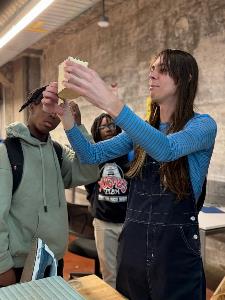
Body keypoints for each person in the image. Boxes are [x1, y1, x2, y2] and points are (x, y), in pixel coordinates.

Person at [42, 49, 217, 300]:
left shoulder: (203, 125)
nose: (152, 75)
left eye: (162, 70)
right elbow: (90, 155)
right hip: (132, 245)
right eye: (151, 69)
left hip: (174, 250)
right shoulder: (140, 130)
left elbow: (166, 149)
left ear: (187, 76)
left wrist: (111, 103)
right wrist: (66, 116)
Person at [0, 85, 99, 287]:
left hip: (52, 260)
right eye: (48, 106)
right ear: (33, 107)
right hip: (19, 263)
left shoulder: (57, 151)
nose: (53, 115)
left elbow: (89, 173)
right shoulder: (7, 152)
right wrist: (2, 266)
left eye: (58, 111)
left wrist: (78, 127)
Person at [85, 113, 130, 288]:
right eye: (104, 126)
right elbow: (89, 183)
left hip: (128, 222)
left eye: (111, 125)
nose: (109, 129)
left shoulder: (128, 153)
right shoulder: (95, 155)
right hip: (104, 223)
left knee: (129, 271)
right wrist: (96, 202)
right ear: (97, 130)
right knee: (110, 274)